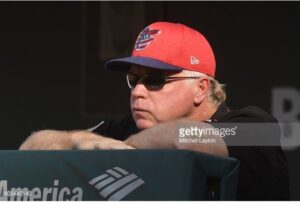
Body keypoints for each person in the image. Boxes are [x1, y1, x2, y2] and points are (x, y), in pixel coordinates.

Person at [19, 22, 289, 200]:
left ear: (201, 88)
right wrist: (75, 140)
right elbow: (31, 147)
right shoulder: (133, 128)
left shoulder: (255, 129)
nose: (137, 91)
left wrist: (122, 148)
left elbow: (184, 138)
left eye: (156, 79)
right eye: (133, 80)